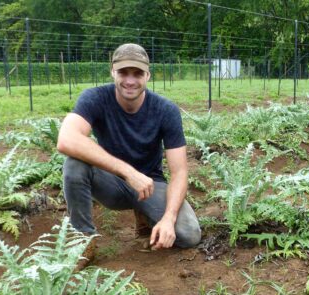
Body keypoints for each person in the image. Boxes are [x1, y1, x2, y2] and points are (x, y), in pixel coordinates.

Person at [57, 43, 201, 266]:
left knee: (189, 234)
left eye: (138, 73)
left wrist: (169, 218)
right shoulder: (95, 98)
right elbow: (66, 138)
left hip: (151, 185)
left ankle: (146, 217)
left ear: (148, 75)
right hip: (111, 184)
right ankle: (82, 240)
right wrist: (127, 172)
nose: (130, 80)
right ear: (112, 72)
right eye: (123, 72)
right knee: (74, 164)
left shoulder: (165, 110)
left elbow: (180, 171)